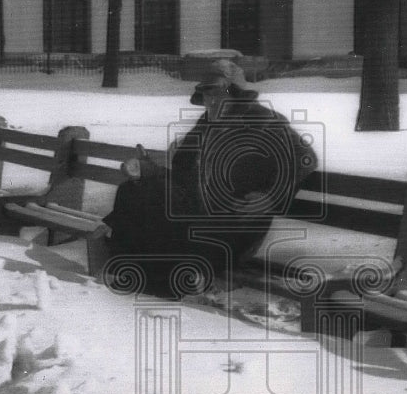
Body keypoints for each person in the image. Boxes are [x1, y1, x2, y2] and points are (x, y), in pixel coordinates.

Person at [103, 60, 318, 297]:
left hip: (234, 226)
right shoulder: (206, 124)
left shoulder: (264, 121)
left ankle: (160, 286)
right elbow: (182, 174)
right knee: (134, 191)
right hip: (198, 214)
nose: (210, 101)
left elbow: (305, 159)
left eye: (217, 93)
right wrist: (147, 170)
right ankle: (129, 273)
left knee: (169, 223)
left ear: (236, 94)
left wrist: (269, 197)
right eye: (207, 94)